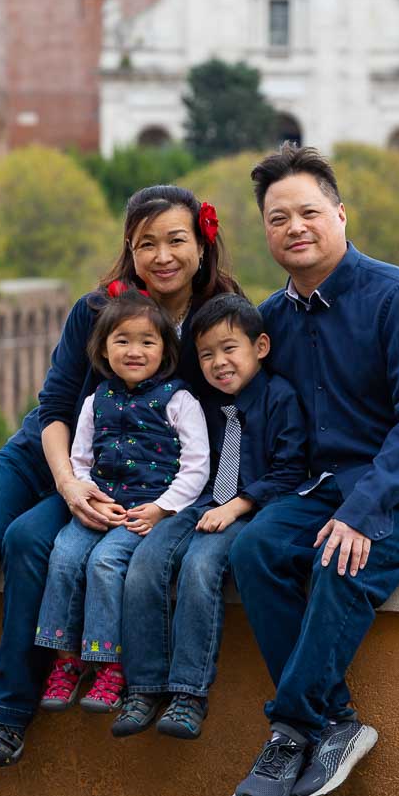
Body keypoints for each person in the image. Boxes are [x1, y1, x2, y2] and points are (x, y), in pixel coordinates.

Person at [0, 184, 238, 767]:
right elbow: (54, 409)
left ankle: (6, 719)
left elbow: (227, 415)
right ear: (130, 247)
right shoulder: (98, 309)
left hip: (127, 477)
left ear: (202, 243)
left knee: (29, 543)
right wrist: (69, 485)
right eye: (146, 242)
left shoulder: (215, 321)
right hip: (47, 455)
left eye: (177, 239)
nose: (162, 255)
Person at [227, 143, 399, 796]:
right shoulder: (270, 322)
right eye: (278, 219)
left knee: (340, 559)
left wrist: (365, 509)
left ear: (340, 214)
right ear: (266, 233)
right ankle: (332, 724)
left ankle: (287, 731)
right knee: (255, 550)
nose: (295, 228)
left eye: (308, 211)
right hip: (327, 490)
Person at [111, 292, 308, 740]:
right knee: (146, 560)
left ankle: (188, 694)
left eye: (229, 348)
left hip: (249, 509)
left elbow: (291, 470)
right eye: (206, 354)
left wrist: (238, 506)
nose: (219, 362)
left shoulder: (281, 399)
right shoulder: (201, 400)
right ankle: (143, 685)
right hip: (200, 502)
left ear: (259, 347)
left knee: (201, 567)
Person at [35, 290, 210, 713]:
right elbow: (80, 460)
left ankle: (109, 664)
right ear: (103, 349)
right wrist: (85, 495)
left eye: (147, 342)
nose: (135, 351)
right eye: (123, 341)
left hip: (144, 512)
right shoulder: (96, 401)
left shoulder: (179, 401)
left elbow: (197, 465)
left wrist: (162, 509)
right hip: (99, 505)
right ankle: (66, 661)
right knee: (63, 555)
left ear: (166, 350)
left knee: (105, 563)